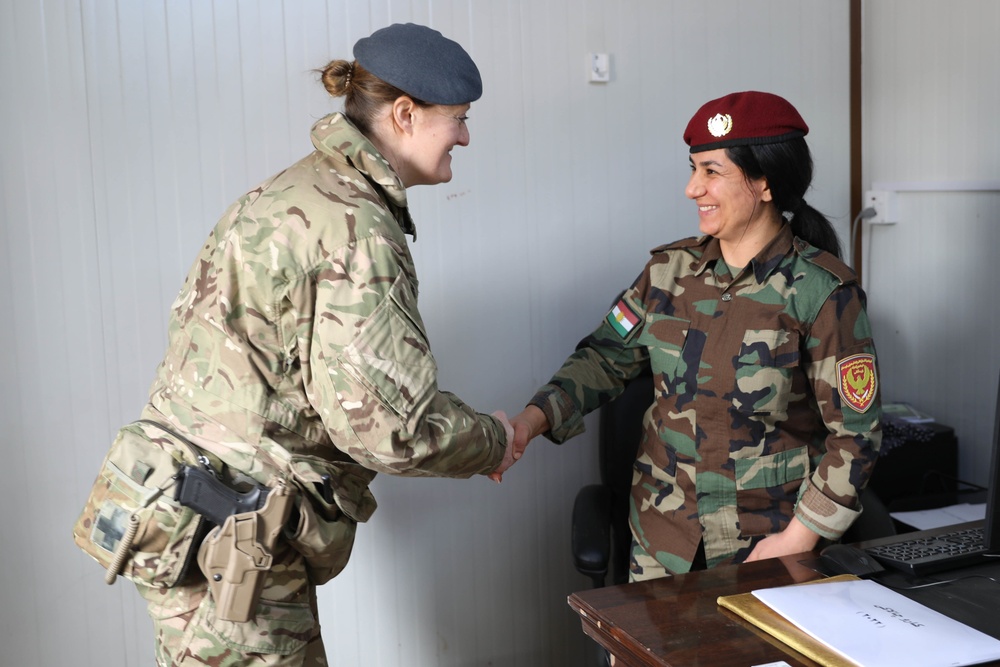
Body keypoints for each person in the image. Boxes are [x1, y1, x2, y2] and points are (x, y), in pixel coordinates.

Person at [83, 23, 515, 666]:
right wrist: (494, 440)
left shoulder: (288, 193)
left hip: (176, 511)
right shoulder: (355, 229)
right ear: (404, 114)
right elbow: (388, 428)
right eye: (458, 118)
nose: (466, 136)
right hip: (230, 545)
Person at [510, 91, 882, 581]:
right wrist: (529, 423)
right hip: (662, 541)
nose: (692, 188)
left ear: (764, 182)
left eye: (711, 171)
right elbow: (603, 359)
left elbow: (855, 437)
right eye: (693, 168)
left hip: (767, 545)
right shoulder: (667, 272)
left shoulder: (823, 293)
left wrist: (797, 539)